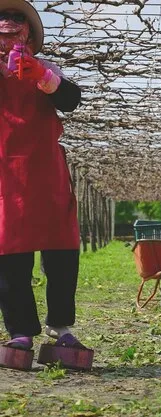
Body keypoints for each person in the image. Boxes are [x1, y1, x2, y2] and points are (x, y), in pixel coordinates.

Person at [0, 0, 86, 360]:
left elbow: (71, 100)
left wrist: (41, 76)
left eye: (17, 27)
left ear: (30, 38)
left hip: (45, 170)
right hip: (6, 175)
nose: (9, 31)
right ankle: (20, 332)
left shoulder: (45, 69)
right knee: (10, 254)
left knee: (61, 249)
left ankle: (61, 328)